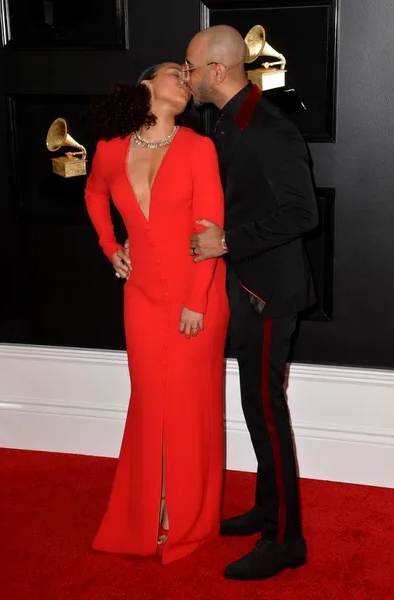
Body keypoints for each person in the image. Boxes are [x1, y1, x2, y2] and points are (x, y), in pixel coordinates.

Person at [182, 26, 318, 580]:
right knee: (257, 410)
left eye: (191, 67)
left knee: (266, 414)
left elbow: (303, 213)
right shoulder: (224, 121)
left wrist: (229, 242)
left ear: (217, 71)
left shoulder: (269, 126)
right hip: (244, 289)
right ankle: (268, 511)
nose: (186, 76)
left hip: (268, 294)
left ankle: (285, 540)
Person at [84, 62, 230, 564]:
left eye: (189, 76)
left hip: (197, 294)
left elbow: (209, 228)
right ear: (146, 84)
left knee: (187, 406)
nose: (185, 79)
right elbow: (94, 193)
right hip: (142, 295)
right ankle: (148, 508)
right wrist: (109, 246)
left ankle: (183, 515)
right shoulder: (110, 149)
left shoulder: (198, 148)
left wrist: (196, 301)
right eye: (175, 72)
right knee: (149, 401)